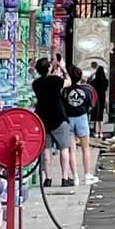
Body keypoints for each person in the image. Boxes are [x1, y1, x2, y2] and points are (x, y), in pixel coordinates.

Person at [33, 52, 72, 186]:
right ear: (49, 68)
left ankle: (48, 179)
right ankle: (64, 178)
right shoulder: (56, 81)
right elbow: (69, 82)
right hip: (59, 118)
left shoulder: (36, 84)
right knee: (64, 149)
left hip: (43, 120)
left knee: (46, 151)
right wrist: (63, 69)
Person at [61, 61, 94, 177]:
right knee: (86, 148)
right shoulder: (86, 90)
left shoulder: (65, 91)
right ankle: (87, 174)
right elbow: (91, 105)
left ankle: (75, 176)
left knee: (72, 150)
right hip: (82, 118)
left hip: (69, 119)